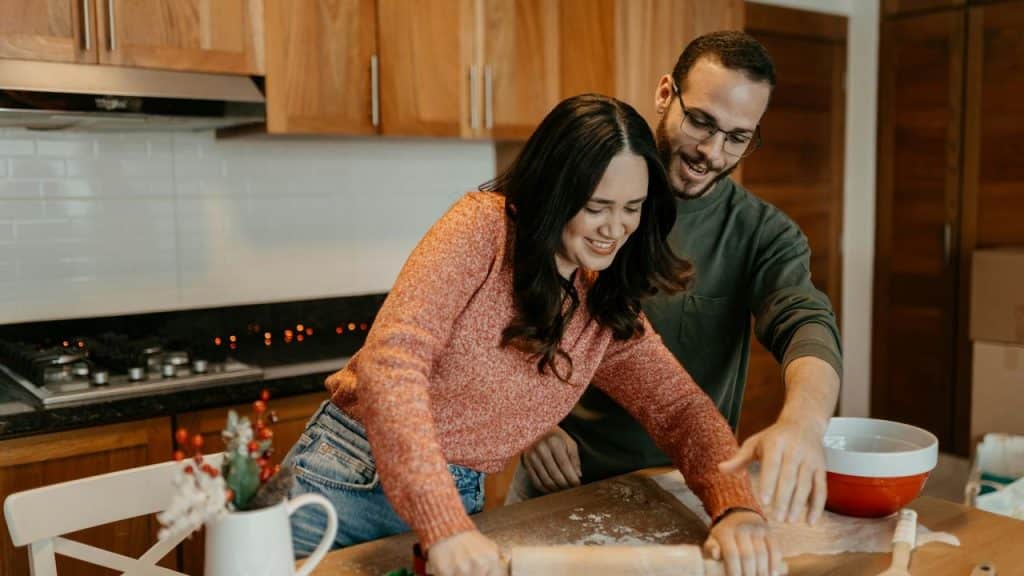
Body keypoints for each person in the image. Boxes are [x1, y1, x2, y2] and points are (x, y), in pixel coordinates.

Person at [283, 93, 782, 576]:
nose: (616, 227)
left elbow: (678, 409)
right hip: (347, 481)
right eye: (596, 205)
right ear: (553, 191)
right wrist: (445, 525)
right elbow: (393, 363)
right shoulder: (484, 227)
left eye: (632, 207)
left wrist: (735, 506)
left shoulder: (602, 298)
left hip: (455, 497)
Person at [513, 30, 842, 528]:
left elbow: (805, 322)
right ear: (666, 94)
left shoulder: (763, 234)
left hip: (683, 487)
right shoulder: (588, 190)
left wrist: (804, 423)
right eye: (702, 122)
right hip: (560, 478)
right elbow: (507, 318)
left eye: (738, 137)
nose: (712, 151)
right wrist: (527, 421)